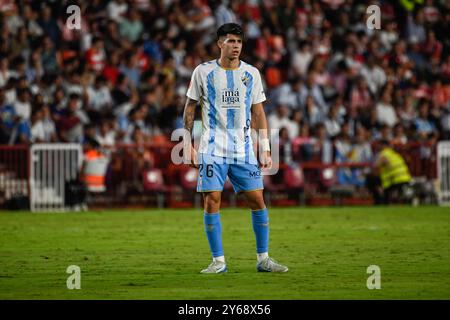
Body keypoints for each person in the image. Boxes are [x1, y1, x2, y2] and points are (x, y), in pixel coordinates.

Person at [183, 23, 288, 274]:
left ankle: (263, 259)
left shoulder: (251, 73)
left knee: (257, 199)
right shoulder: (203, 71)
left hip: (242, 150)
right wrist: (188, 144)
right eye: (230, 41)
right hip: (211, 148)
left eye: (239, 42)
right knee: (212, 200)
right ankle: (218, 261)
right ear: (220, 44)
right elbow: (190, 108)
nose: (236, 46)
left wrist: (264, 146)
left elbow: (259, 111)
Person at [372, 139, 412, 204]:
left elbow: (375, 167)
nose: (377, 147)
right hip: (406, 178)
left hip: (396, 180)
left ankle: (380, 200)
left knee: (373, 179)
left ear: (383, 146)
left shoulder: (384, 154)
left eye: (379, 145)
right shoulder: (394, 154)